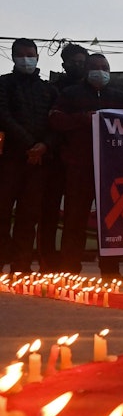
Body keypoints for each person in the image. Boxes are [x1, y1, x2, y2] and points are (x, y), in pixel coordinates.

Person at [49, 53, 123, 278]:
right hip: (79, 166)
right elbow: (55, 121)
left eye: (104, 66)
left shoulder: (121, 97)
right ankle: (70, 269)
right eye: (95, 67)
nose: (100, 70)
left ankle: (110, 270)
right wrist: (82, 118)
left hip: (112, 169)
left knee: (111, 222)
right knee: (74, 219)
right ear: (86, 70)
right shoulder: (69, 95)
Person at [0, 38, 58, 273]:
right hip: (9, 159)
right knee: (2, 212)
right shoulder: (3, 84)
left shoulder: (49, 89)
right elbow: (3, 115)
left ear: (37, 56)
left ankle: (21, 266)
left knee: (29, 216)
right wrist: (30, 145)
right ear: (13, 57)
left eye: (31, 54)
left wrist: (44, 145)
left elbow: (56, 123)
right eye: (22, 54)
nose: (27, 59)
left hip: (40, 162)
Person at [41, 44, 89, 272]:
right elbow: (50, 122)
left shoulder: (95, 92)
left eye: (82, 62)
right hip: (54, 160)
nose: (78, 66)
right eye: (73, 63)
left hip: (81, 163)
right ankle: (47, 263)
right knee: (48, 213)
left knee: (75, 216)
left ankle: (71, 265)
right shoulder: (53, 90)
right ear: (64, 65)